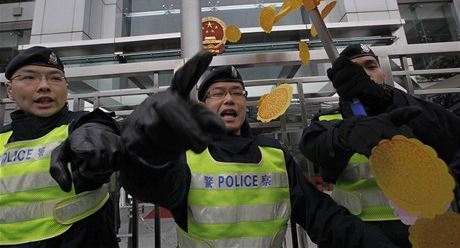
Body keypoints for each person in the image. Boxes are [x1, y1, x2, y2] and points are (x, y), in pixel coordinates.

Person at [119, 50, 398, 247]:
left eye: (237, 92)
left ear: (245, 104)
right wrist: (148, 153)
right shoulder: (188, 158)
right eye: (218, 93)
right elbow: (150, 184)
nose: (229, 99)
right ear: (202, 104)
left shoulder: (275, 155)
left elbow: (323, 218)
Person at [299, 43, 460, 248]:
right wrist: (345, 135)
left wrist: (386, 101)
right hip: (360, 232)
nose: (365, 74)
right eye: (356, 69)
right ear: (337, 84)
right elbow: (317, 147)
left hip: (428, 230)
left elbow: (448, 133)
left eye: (371, 66)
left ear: (382, 72)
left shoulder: (411, 111)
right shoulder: (327, 121)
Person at [0, 46, 123, 247]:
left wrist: (95, 136)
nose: (44, 86)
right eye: (29, 78)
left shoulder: (80, 125)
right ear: (10, 90)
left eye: (55, 78)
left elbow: (101, 126)